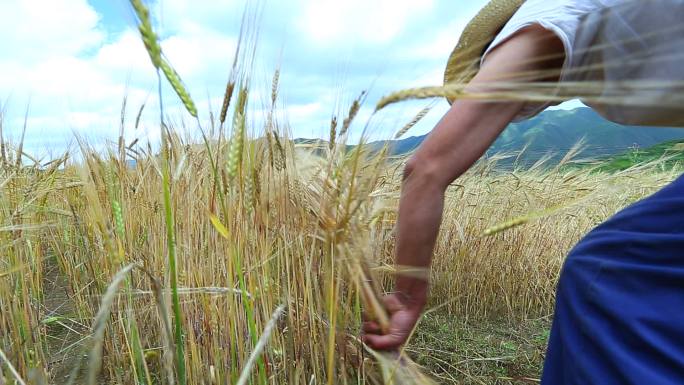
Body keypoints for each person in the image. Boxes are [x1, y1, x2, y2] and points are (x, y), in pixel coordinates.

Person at [362, 0, 684, 383]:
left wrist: (407, 295)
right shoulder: (605, 44)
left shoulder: (540, 27)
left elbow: (426, 169)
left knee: (606, 271)